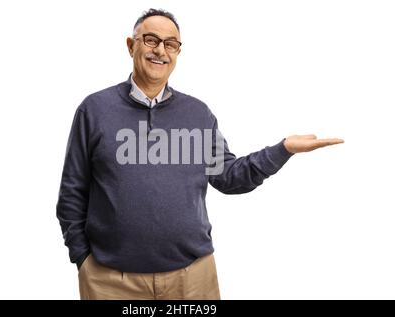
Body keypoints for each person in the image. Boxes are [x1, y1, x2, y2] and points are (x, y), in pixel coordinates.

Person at [56, 8, 344, 300]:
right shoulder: (94, 110)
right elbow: (71, 193)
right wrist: (83, 259)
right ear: (132, 46)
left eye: (170, 44)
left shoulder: (197, 114)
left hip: (193, 278)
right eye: (151, 40)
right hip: (110, 281)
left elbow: (229, 176)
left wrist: (282, 150)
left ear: (177, 52)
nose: (160, 51)